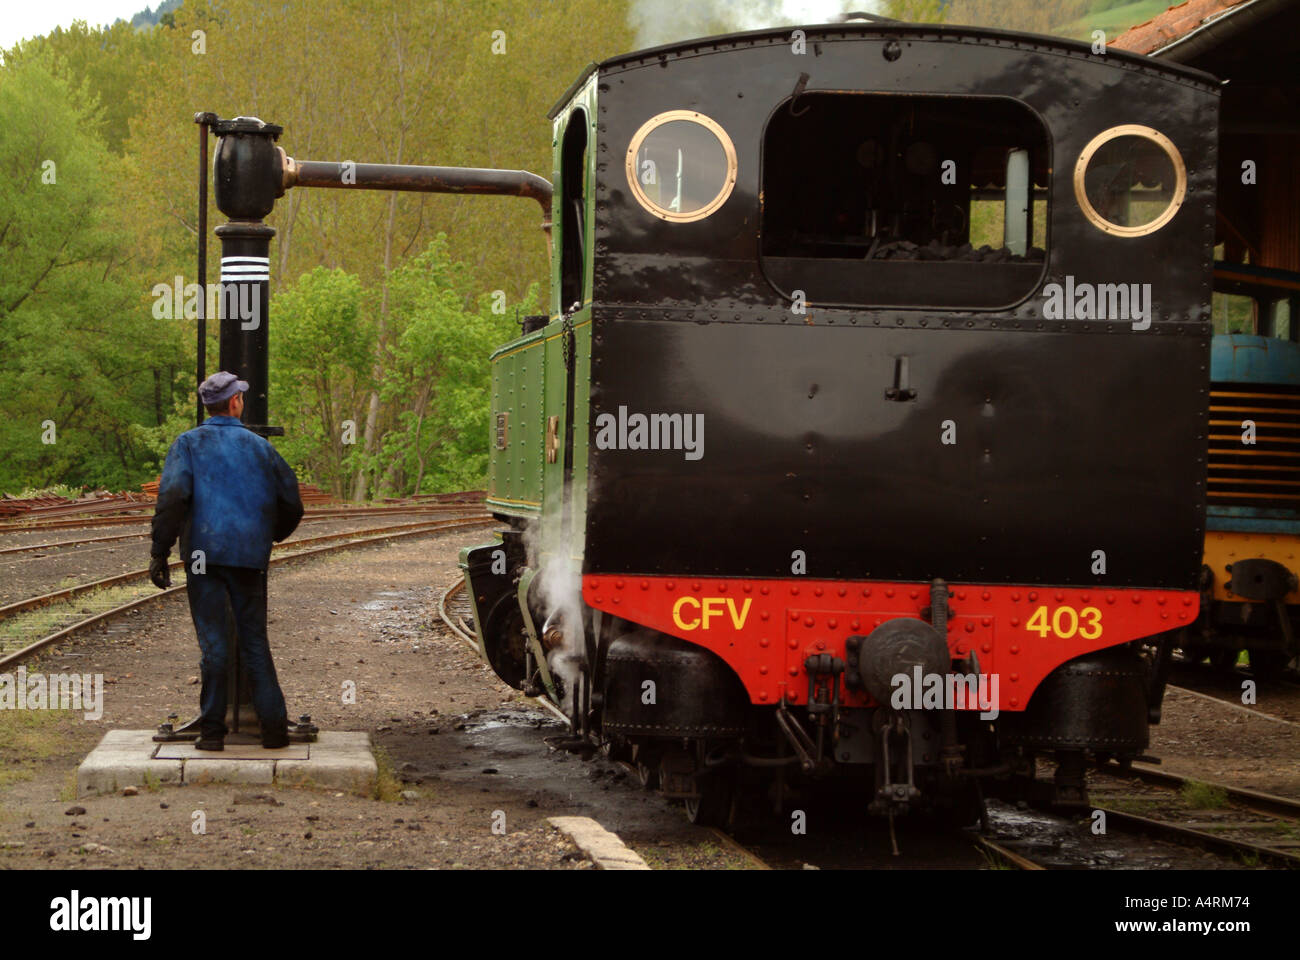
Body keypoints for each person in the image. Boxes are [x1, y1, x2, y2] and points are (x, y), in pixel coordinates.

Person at [150, 371, 304, 750]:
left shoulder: (187, 444)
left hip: (202, 558)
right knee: (254, 641)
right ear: (235, 402)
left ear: (208, 405)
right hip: (248, 558)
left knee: (215, 645)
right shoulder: (261, 448)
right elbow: (293, 505)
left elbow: (172, 499)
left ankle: (213, 734)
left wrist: (160, 550)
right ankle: (273, 731)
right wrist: (265, 537)